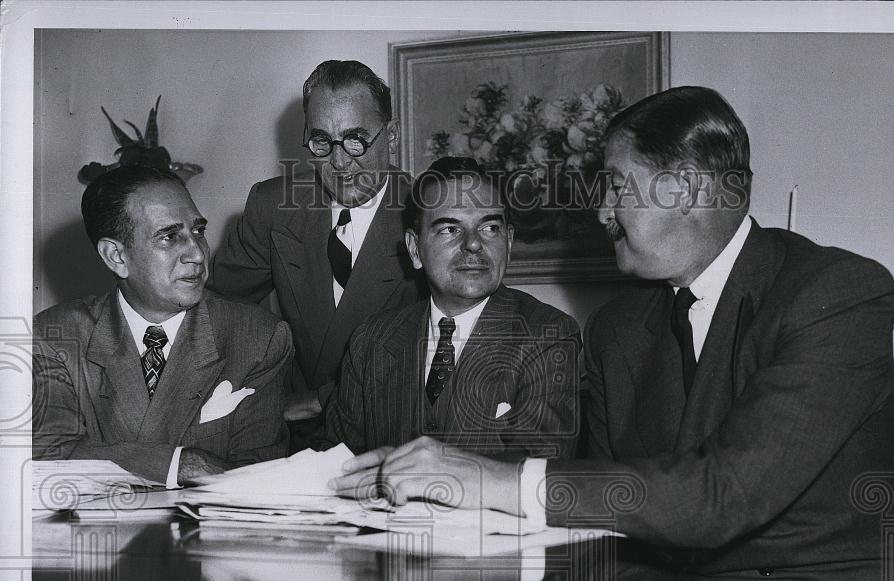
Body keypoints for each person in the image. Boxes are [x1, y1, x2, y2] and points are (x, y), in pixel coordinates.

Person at [335, 87, 894, 581]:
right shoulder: (617, 331)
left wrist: (491, 478)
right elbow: (617, 538)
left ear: (684, 190)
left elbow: (723, 493)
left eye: (614, 187)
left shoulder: (837, 294)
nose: (600, 211)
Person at [33, 165, 292, 485]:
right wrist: (182, 464)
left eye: (198, 230)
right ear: (116, 256)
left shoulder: (258, 337)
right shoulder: (54, 338)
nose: (197, 254)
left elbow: (259, 480)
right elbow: (47, 456)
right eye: (169, 236)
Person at [207, 60, 423, 445]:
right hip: (289, 440)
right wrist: (262, 393)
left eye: (356, 139)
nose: (339, 163)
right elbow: (216, 314)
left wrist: (318, 401)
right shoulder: (272, 205)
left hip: (393, 435)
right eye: (322, 141)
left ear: (391, 137)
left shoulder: (428, 214)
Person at [323, 156, 579, 460]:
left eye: (490, 228)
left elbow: (538, 477)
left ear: (509, 243)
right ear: (415, 249)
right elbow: (336, 467)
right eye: (449, 229)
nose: (473, 244)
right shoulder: (371, 341)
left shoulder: (548, 335)